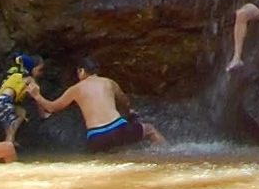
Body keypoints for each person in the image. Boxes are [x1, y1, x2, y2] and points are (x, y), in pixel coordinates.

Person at [31, 55, 167, 153]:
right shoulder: (109, 82)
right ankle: (166, 156)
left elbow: (51, 107)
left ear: (82, 71)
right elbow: (125, 102)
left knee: (107, 155)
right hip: (118, 129)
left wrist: (37, 96)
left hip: (96, 137)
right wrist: (128, 114)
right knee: (150, 130)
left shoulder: (75, 89)